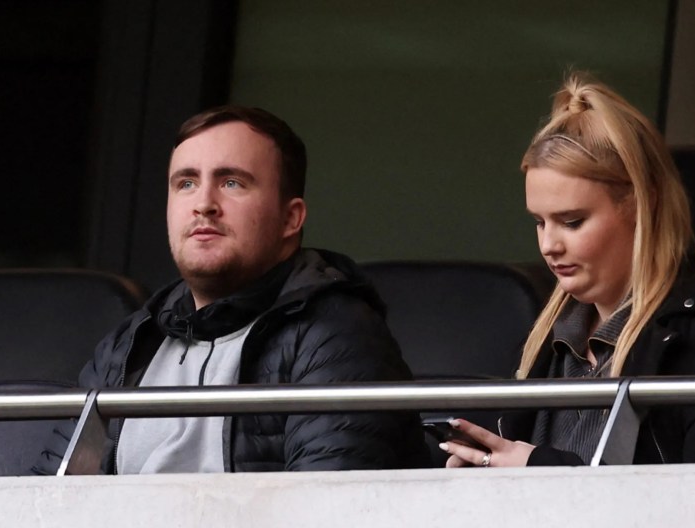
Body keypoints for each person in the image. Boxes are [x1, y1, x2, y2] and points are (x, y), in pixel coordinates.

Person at [33, 105, 428, 474]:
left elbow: (324, 509)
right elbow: (41, 504)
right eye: (186, 183)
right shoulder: (131, 342)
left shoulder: (337, 332)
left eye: (232, 182)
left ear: (290, 219)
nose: (203, 203)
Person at [440, 72, 695, 468]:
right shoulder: (545, 345)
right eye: (539, 223)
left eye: (572, 221)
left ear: (640, 205)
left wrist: (537, 471)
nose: (549, 245)